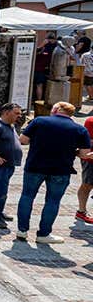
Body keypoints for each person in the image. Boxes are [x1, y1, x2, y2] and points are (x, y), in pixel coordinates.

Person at [16, 102, 92, 244]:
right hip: (61, 169)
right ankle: (44, 234)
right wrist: (70, 151)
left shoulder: (39, 121)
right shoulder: (79, 129)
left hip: (35, 165)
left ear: (56, 110)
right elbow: (84, 154)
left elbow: (23, 140)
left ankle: (22, 230)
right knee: (53, 201)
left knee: (27, 196)